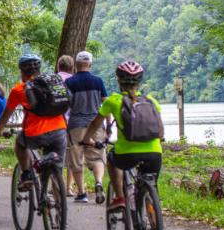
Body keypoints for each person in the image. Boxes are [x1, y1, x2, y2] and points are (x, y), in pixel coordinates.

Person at [81, 60, 164, 212]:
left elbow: (95, 124)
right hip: (154, 153)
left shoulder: (113, 100)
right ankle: (156, 227)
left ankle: (120, 197)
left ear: (119, 80)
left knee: (112, 159)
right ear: (140, 81)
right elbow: (161, 132)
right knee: (151, 188)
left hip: (127, 154)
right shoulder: (152, 101)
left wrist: (87, 139)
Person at [0, 54, 67, 190]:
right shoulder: (54, 83)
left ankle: (26, 174)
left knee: (20, 143)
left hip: (35, 133)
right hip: (60, 130)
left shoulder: (18, 90)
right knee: (57, 171)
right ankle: (59, 206)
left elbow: (6, 114)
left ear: (21, 71)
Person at [65, 51, 109, 204]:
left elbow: (65, 104)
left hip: (76, 125)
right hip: (95, 124)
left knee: (76, 159)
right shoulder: (98, 81)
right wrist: (108, 125)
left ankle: (82, 193)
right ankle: (98, 182)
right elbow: (106, 104)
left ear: (76, 65)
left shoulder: (70, 82)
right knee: (96, 156)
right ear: (90, 64)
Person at [56, 54, 75, 196]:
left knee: (57, 154)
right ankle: (69, 187)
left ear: (58, 66)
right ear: (72, 67)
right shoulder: (75, 81)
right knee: (71, 155)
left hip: (57, 122)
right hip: (73, 122)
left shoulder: (53, 80)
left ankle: (56, 186)